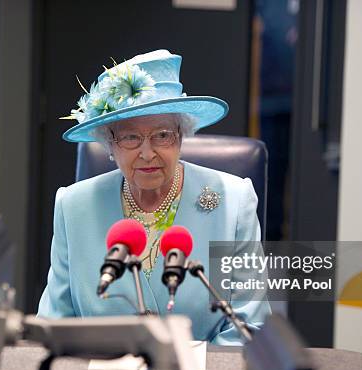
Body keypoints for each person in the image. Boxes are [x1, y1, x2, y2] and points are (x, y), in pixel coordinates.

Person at [38, 50, 270, 345]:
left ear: (182, 136)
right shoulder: (73, 206)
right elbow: (55, 324)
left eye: (162, 135)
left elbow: (250, 325)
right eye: (130, 137)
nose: (147, 153)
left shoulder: (234, 202)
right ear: (110, 144)